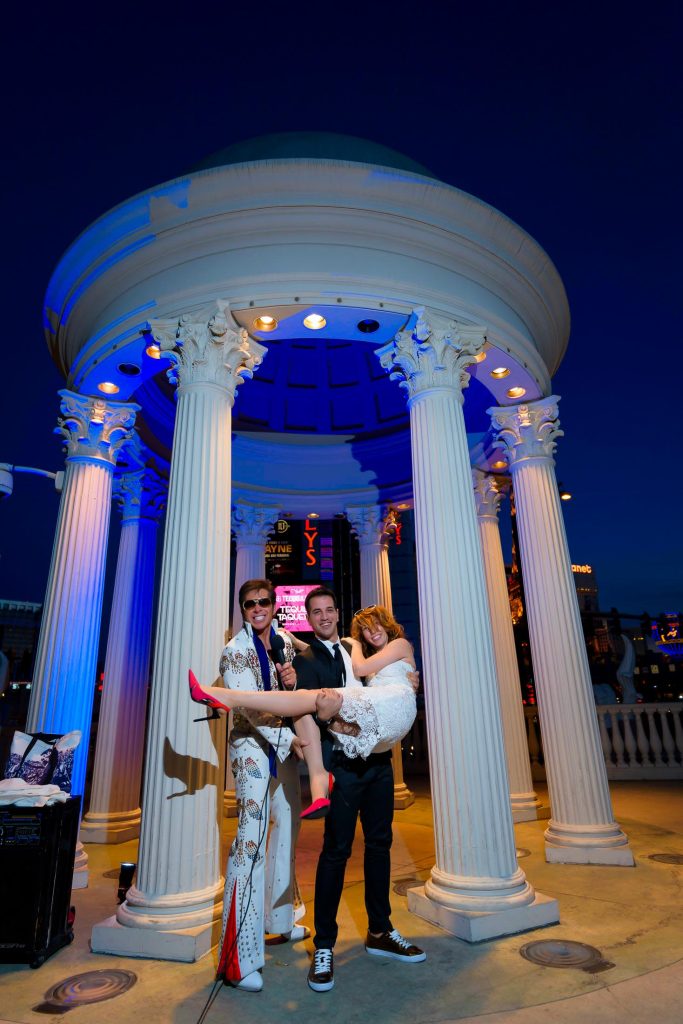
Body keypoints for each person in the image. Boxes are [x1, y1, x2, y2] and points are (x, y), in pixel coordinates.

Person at [192, 588, 426, 992]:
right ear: (308, 617)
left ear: (337, 613)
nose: (324, 616)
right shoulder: (303, 662)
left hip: (377, 762)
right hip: (340, 765)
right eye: (316, 612)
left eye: (330, 610)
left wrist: (409, 676)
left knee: (379, 845)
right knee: (335, 852)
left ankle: (380, 929)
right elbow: (303, 715)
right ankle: (325, 946)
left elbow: (384, 674)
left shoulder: (355, 647)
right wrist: (316, 740)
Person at [212, 578, 308, 994]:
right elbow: (250, 708)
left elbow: (303, 667)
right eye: (249, 603)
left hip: (282, 749)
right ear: (242, 609)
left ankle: (280, 921)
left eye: (264, 601)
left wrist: (292, 677)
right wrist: (293, 740)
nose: (257, 608)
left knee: (288, 828)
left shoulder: (282, 641)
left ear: (273, 605)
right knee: (249, 845)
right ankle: (237, 959)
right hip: (252, 749)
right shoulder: (234, 652)